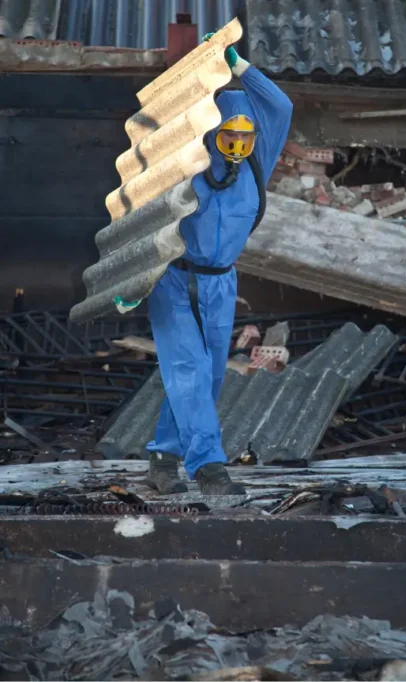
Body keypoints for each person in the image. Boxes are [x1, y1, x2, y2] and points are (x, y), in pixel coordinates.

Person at [144, 31, 292, 496]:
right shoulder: (189, 158)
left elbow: (281, 108)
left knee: (206, 377)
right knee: (187, 368)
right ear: (214, 132)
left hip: (220, 283)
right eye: (230, 136)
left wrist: (238, 65)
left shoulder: (255, 164)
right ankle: (211, 469)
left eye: (246, 138)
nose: (238, 146)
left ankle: (163, 458)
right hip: (173, 277)